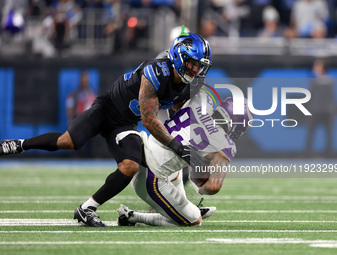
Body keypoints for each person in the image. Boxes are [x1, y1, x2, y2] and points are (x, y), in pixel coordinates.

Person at [0, 28, 212, 227]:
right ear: (178, 57)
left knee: (131, 166)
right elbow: (149, 120)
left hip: (125, 123)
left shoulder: (190, 85)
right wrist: (177, 146)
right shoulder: (157, 71)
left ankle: (87, 208)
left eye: (199, 65)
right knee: (67, 141)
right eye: (192, 63)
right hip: (106, 109)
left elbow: (174, 113)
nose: (195, 70)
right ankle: (18, 144)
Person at [117, 92, 253, 227]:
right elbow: (213, 186)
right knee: (194, 220)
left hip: (142, 152)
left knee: (177, 164)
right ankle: (133, 217)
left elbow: (172, 102)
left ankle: (182, 208)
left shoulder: (202, 99)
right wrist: (200, 188)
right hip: (151, 177)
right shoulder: (224, 144)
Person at [306, 59, 336, 156]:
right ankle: (308, 154)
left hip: (325, 111)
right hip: (318, 110)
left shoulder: (325, 80)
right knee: (311, 134)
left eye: (317, 66)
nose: (315, 68)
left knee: (328, 134)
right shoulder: (318, 80)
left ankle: (328, 155)